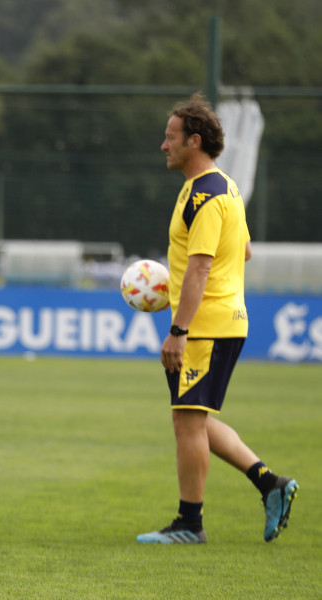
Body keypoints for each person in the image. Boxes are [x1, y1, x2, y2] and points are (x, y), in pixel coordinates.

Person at [137, 94, 298, 544]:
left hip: (205, 327)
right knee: (195, 418)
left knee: (187, 421)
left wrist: (178, 330)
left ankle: (190, 524)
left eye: (170, 138)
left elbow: (201, 266)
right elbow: (242, 250)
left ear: (194, 140)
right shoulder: (222, 186)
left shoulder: (206, 194)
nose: (163, 146)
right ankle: (271, 484)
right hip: (224, 319)